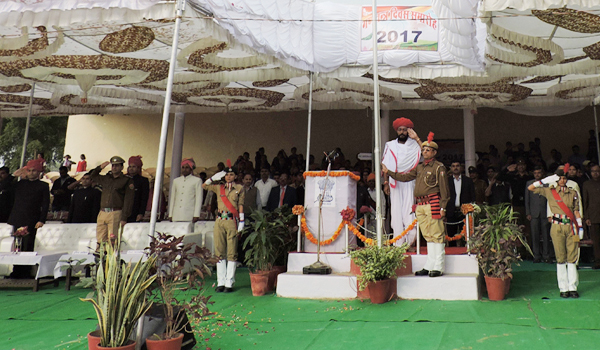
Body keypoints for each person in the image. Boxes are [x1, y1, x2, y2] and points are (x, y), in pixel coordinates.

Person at [382, 132, 450, 277]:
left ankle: (438, 265)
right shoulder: (419, 167)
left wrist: (443, 206)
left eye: (428, 150)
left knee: (437, 234)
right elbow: (405, 177)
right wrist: (390, 173)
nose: (424, 152)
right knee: (427, 235)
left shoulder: (439, 167)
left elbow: (445, 190)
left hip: (433, 203)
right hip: (420, 204)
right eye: (423, 150)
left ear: (434, 152)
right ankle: (430, 264)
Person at [528, 165, 583, 298]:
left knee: (572, 257)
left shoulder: (573, 192)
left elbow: (576, 210)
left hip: (571, 226)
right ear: (556, 179)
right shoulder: (549, 191)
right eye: (559, 178)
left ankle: (572, 287)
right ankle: (563, 288)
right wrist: (546, 179)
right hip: (557, 226)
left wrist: (580, 226)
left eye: (564, 178)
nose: (562, 180)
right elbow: (531, 188)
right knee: (560, 258)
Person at [202, 161, 245, 293]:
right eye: (226, 175)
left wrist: (242, 220)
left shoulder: (239, 188)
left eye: (231, 174)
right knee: (219, 251)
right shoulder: (219, 187)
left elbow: (241, 205)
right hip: (219, 220)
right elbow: (204, 185)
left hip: (231, 220)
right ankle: (220, 282)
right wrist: (214, 177)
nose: (228, 177)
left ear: (235, 176)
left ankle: (229, 282)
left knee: (232, 251)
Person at [382, 117, 422, 247]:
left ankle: (409, 242)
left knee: (409, 211)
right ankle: (398, 244)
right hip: (394, 181)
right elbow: (385, 166)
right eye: (400, 129)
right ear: (397, 131)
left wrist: (416, 138)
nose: (402, 132)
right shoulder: (390, 145)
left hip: (409, 181)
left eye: (405, 130)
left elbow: (427, 152)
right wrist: (386, 183)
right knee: (396, 212)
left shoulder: (414, 145)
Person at [7, 160, 50, 278]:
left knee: (28, 245)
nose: (31, 173)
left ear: (39, 172)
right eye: (29, 170)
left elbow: (45, 205)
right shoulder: (19, 184)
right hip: (18, 218)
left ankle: (26, 271)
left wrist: (41, 220)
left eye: (34, 171)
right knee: (17, 245)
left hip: (32, 219)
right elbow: (5, 186)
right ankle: (16, 270)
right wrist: (13, 176)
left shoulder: (43, 186)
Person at [89, 156, 134, 244]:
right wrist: (100, 167)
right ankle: (100, 257)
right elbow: (92, 175)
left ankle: (111, 258)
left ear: (122, 167)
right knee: (100, 240)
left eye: (117, 166)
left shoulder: (126, 180)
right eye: (113, 165)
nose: (114, 167)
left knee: (112, 240)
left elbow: (128, 200)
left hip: (115, 212)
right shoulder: (106, 178)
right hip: (102, 212)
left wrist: (124, 217)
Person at [525, 166, 552, 263]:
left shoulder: (547, 183)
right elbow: (527, 199)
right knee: (534, 235)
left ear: (542, 173)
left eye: (539, 172)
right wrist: (528, 212)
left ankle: (546, 255)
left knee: (546, 235)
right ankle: (536, 255)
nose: (537, 174)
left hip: (545, 212)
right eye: (535, 173)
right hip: (534, 213)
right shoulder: (529, 183)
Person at [446, 162, 475, 244]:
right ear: (451, 168)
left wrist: (472, 208)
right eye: (453, 166)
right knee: (451, 234)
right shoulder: (447, 181)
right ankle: (452, 252)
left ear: (461, 168)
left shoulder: (468, 181)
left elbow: (472, 195)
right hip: (451, 210)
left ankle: (466, 251)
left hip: (465, 211)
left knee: (466, 234)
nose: (455, 168)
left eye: (458, 166)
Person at [168, 158, 203, 222]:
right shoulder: (176, 181)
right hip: (176, 214)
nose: (184, 169)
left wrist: (196, 215)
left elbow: (198, 199)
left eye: (187, 167)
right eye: (183, 167)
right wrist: (170, 214)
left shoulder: (197, 180)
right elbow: (173, 198)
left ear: (191, 169)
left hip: (189, 215)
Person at [583, 164, 600, 269]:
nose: (595, 173)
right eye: (593, 171)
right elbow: (585, 201)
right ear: (590, 172)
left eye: (597, 171)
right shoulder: (586, 184)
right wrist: (587, 217)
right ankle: (598, 261)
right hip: (593, 216)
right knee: (596, 240)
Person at [126, 156, 149, 223]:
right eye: (130, 167)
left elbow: (144, 198)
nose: (131, 169)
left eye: (134, 167)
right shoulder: (124, 179)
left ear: (138, 168)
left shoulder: (143, 181)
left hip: (135, 211)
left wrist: (141, 213)